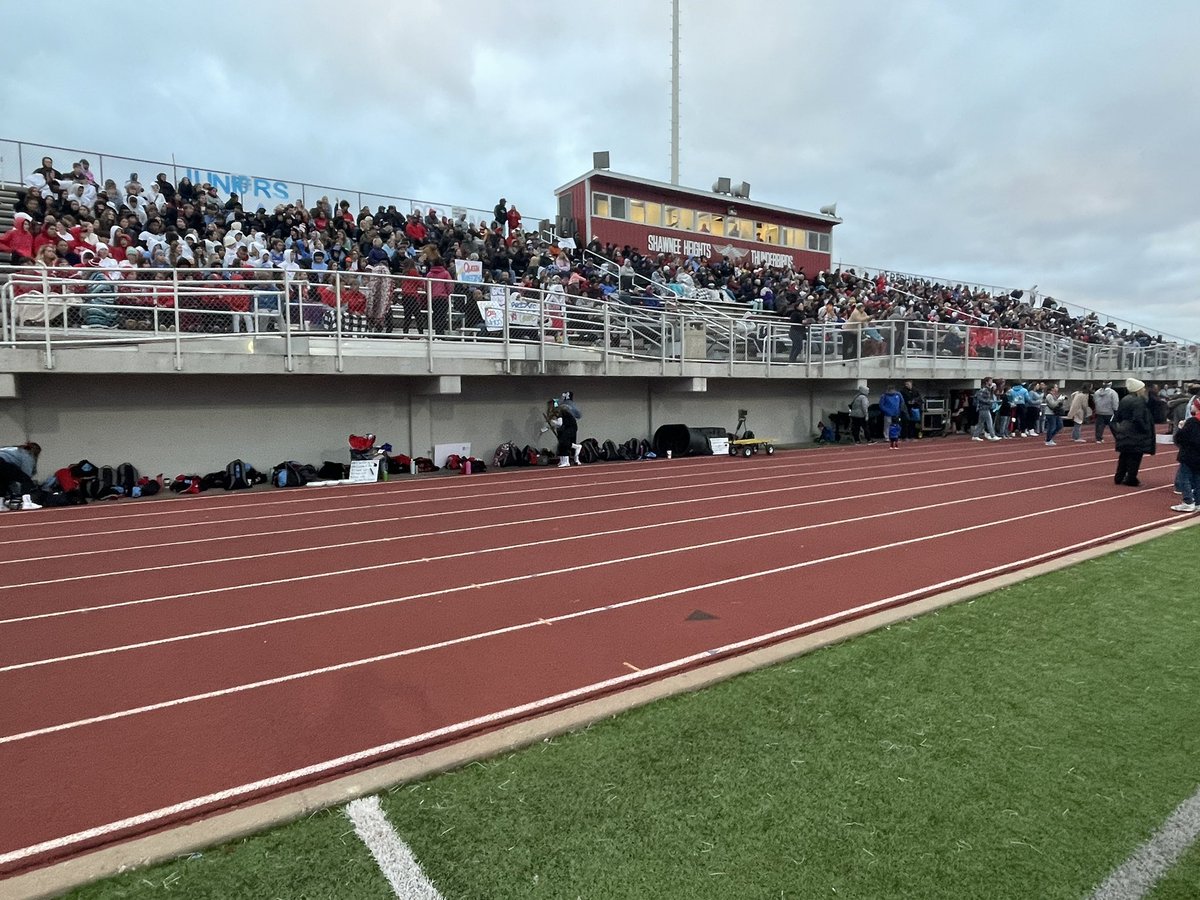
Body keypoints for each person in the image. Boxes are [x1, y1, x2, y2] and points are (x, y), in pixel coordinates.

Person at [1112, 378, 1155, 487]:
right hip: (1135, 433)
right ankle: (1131, 479)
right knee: (1135, 457)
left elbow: (1118, 417)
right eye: (1142, 388)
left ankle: (1119, 477)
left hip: (1124, 430)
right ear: (1138, 389)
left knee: (1124, 456)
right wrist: (1145, 429)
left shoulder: (1124, 399)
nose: (1144, 390)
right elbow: (1138, 418)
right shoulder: (1139, 401)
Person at [1171, 406, 1200, 513]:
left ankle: (1188, 501)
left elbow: (1181, 438)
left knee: (1183, 477)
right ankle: (1198, 502)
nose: (1191, 406)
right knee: (1197, 478)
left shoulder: (1192, 421)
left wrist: (1181, 428)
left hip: (1189, 454)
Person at [0, 442, 43, 510]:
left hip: (2, 462)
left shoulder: (14, 449)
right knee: (26, 480)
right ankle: (27, 503)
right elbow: (26, 474)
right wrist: (19, 491)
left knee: (3, 482)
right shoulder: (27, 455)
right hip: (1, 462)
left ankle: (0, 505)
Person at [546, 399, 579, 468]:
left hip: (570, 427)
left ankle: (566, 461)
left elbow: (559, 423)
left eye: (550, 405)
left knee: (564, 443)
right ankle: (562, 460)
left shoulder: (558, 411)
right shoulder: (555, 412)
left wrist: (552, 422)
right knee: (561, 443)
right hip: (564, 427)